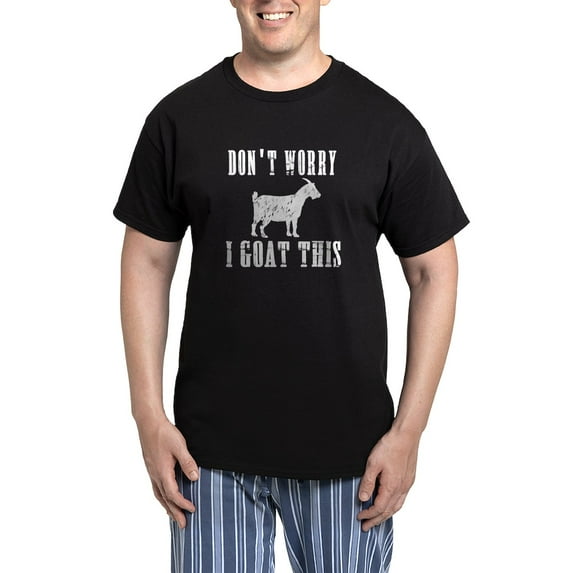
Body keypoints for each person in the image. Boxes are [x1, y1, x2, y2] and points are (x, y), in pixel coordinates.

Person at [113, 1, 470, 571]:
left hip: (352, 456)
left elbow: (434, 270)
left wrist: (410, 430)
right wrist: (147, 417)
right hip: (208, 456)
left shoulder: (383, 123)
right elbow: (147, 264)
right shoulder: (179, 119)